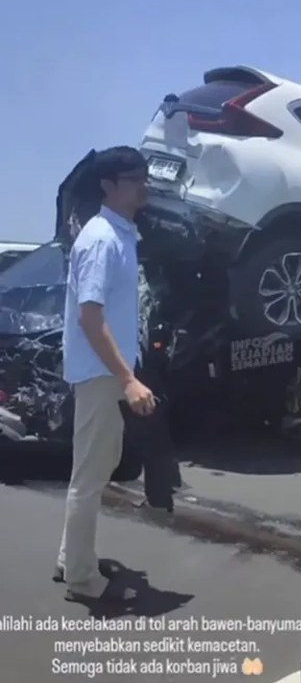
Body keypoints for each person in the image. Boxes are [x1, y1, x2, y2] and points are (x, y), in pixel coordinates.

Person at [55, 146, 155, 602]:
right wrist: (127, 378)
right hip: (100, 374)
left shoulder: (121, 234)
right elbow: (89, 318)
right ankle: (81, 579)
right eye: (134, 177)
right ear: (108, 186)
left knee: (92, 470)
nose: (143, 184)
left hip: (103, 372)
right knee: (90, 477)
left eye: (144, 176)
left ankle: (70, 560)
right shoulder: (102, 240)